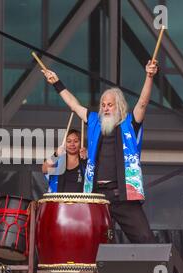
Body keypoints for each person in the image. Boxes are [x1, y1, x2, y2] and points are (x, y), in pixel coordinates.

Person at [42, 60, 158, 243]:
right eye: (103, 105)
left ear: (119, 106)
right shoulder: (94, 121)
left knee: (145, 238)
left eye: (109, 105)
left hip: (123, 195)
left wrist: (149, 77)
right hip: (97, 197)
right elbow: (73, 104)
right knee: (94, 243)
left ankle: (171, 272)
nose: (105, 108)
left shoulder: (129, 123)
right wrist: (57, 83)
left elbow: (142, 103)